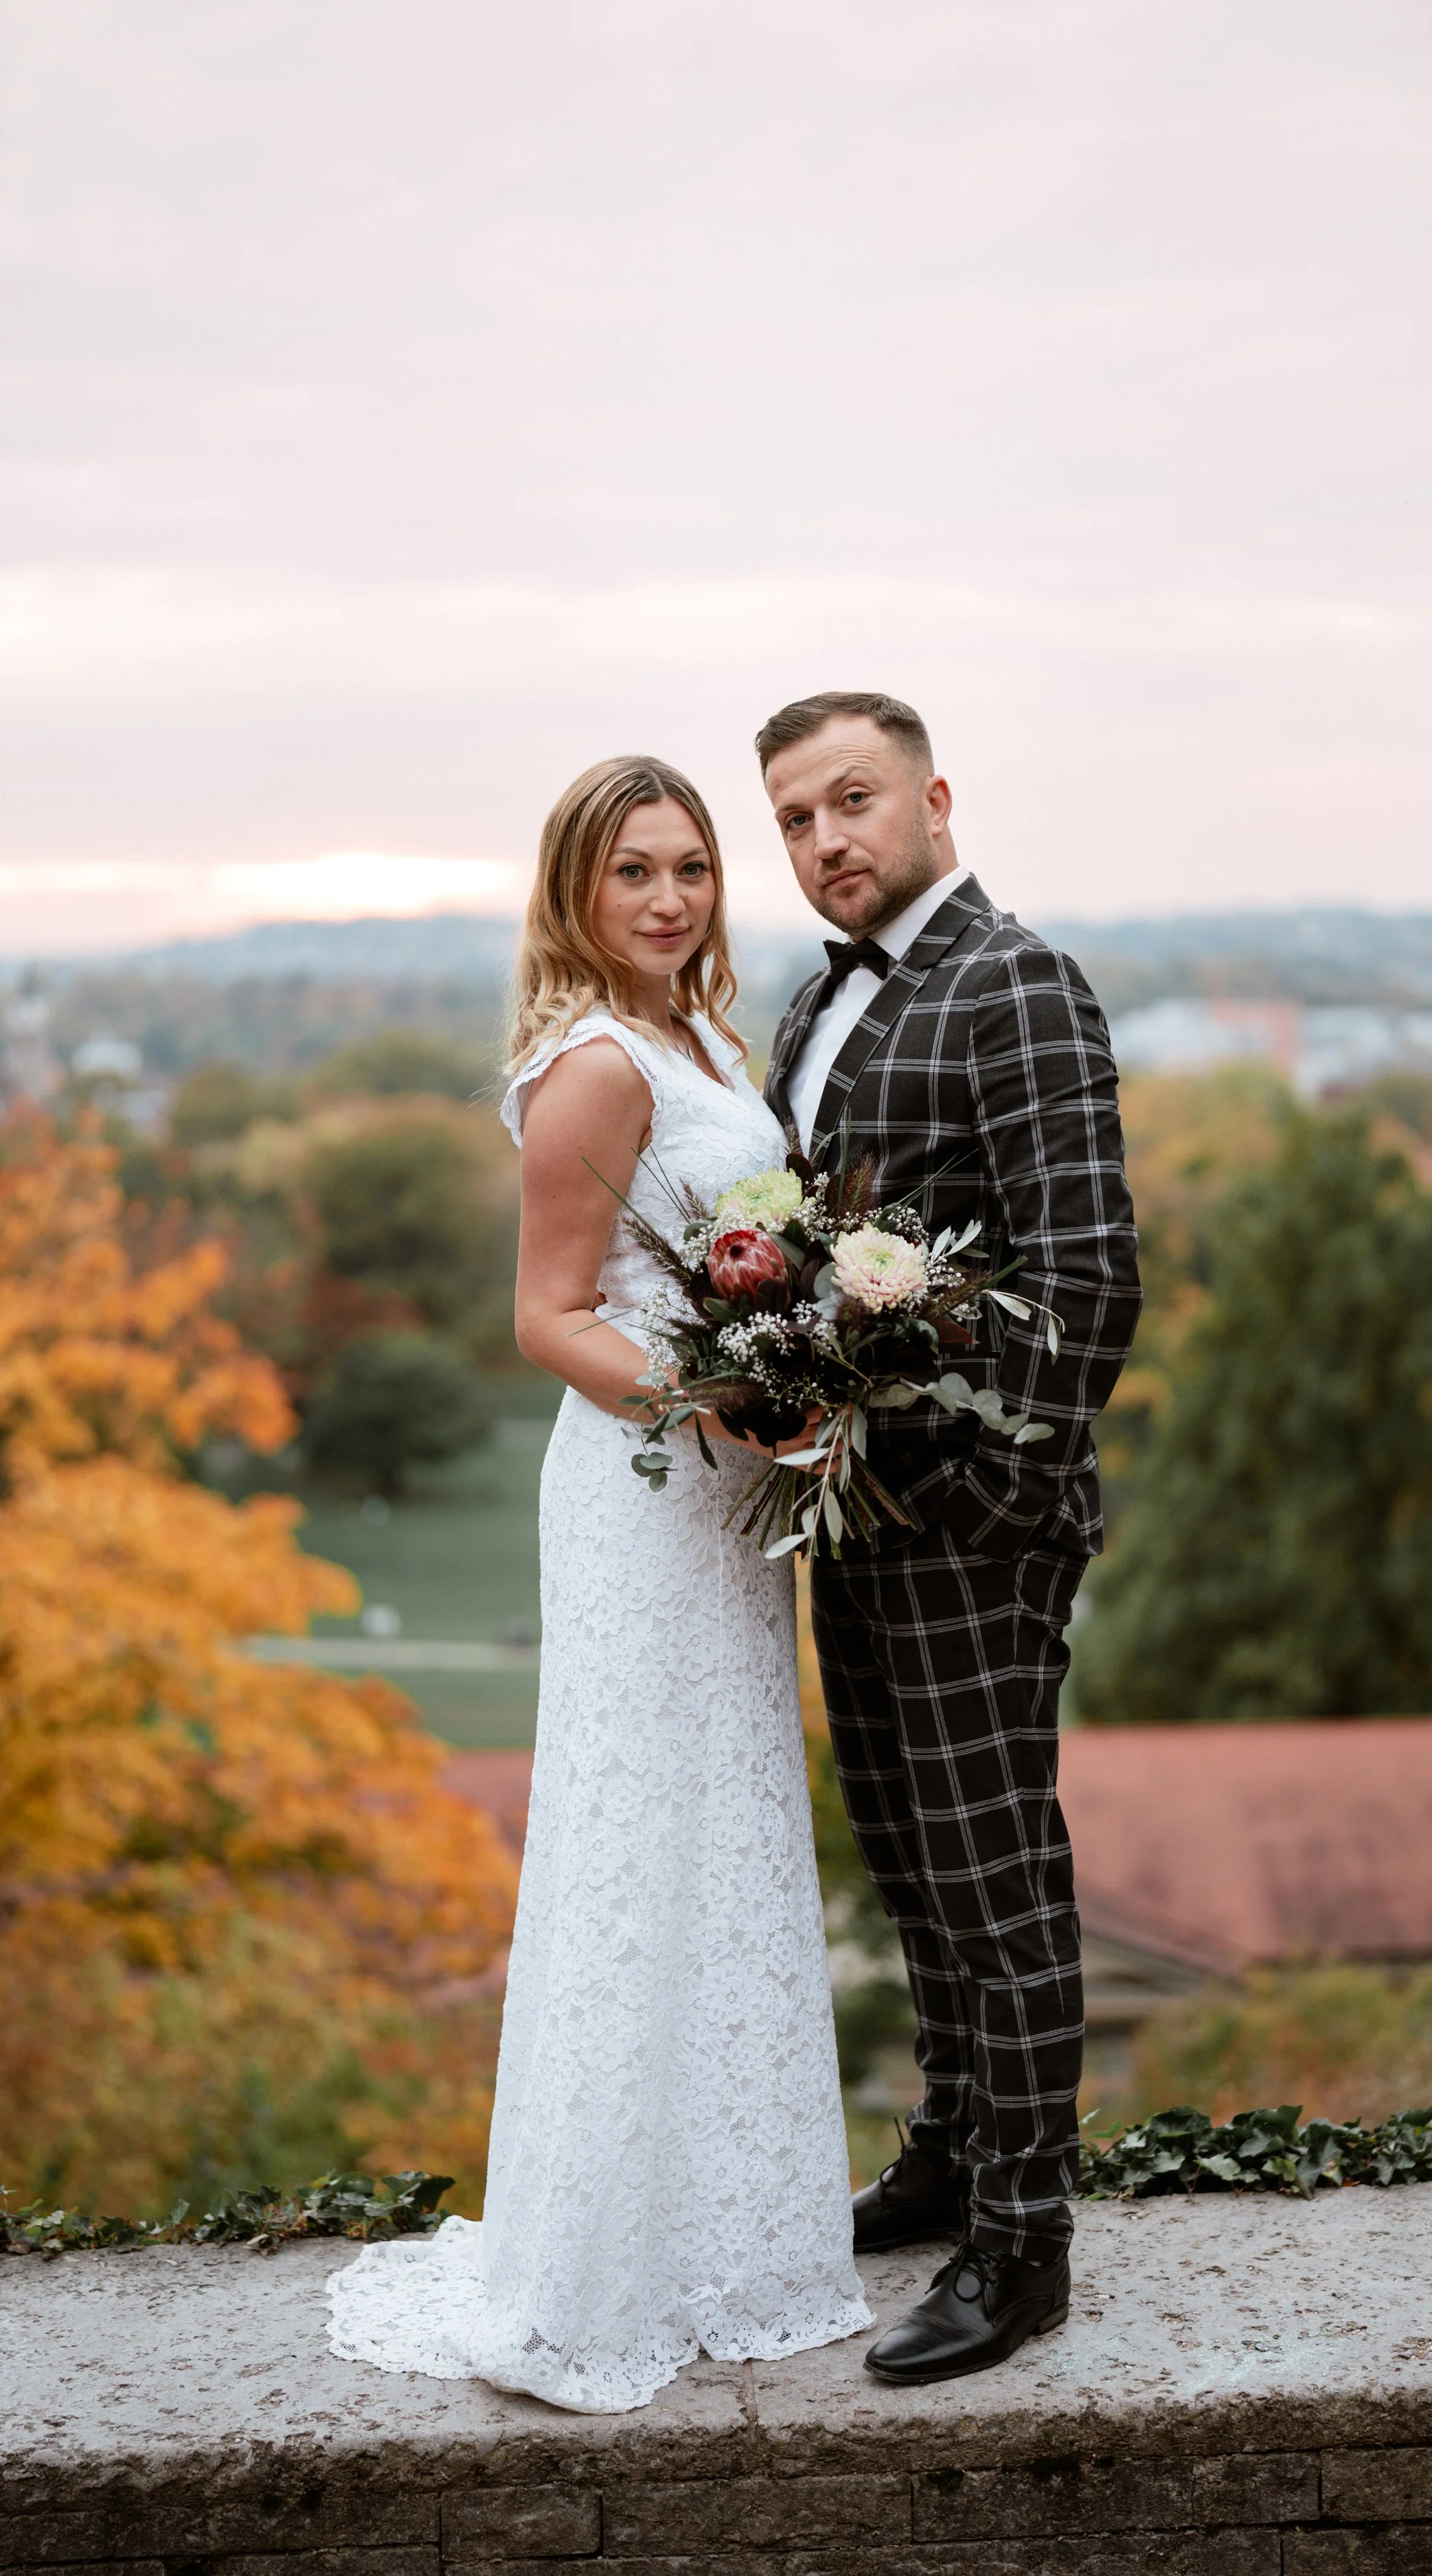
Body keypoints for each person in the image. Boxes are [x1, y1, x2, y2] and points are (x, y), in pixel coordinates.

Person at [324, 756, 870, 2412]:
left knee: (724, 1830)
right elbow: (548, 1318)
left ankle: (726, 2234)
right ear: (575, 891)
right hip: (644, 1495)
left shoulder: (706, 1036)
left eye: (691, 867)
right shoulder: (593, 1064)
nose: (667, 897)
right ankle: (596, 2269)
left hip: (718, 1510)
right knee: (637, 1837)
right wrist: (732, 1401)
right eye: (631, 871)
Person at [760, 691, 1142, 2386]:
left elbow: (1088, 1282)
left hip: (973, 1521)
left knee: (999, 1881)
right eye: (794, 820)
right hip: (851, 1515)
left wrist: (994, 1498)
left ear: (931, 795)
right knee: (911, 1855)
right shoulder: (809, 1007)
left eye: (851, 801)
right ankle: (947, 2144)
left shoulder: (1018, 983)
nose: (826, 841)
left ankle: (1021, 2243)